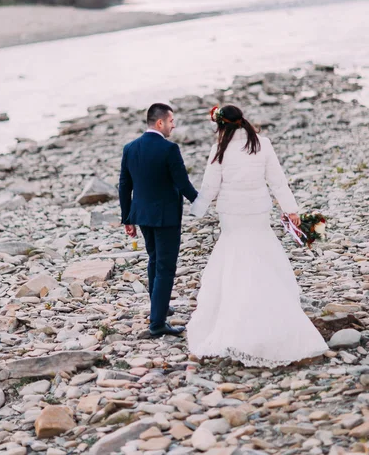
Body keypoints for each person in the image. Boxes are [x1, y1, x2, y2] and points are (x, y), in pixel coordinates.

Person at [187, 105, 328, 367]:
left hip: (232, 216)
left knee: (233, 264)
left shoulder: (220, 149)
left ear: (221, 125)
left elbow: (209, 186)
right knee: (263, 260)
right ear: (242, 121)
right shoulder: (261, 143)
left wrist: (196, 210)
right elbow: (277, 181)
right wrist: (291, 210)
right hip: (258, 213)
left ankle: (234, 323)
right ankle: (274, 319)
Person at [119, 103, 198, 337]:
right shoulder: (169, 149)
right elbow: (183, 184)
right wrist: (203, 202)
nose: (174, 125)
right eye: (171, 120)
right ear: (160, 122)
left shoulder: (130, 148)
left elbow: (125, 185)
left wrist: (127, 218)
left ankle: (159, 305)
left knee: (154, 259)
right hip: (166, 217)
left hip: (142, 215)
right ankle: (157, 323)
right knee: (165, 266)